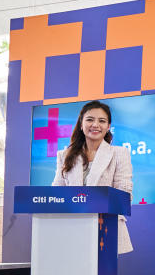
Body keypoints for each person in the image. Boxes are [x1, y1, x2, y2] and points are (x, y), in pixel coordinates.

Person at [53, 100, 133, 254]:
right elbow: (57, 193)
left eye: (102, 121)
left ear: (108, 127)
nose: (95, 125)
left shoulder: (119, 153)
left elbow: (124, 195)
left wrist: (91, 202)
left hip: (106, 228)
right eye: (90, 119)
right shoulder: (64, 156)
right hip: (71, 230)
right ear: (81, 124)